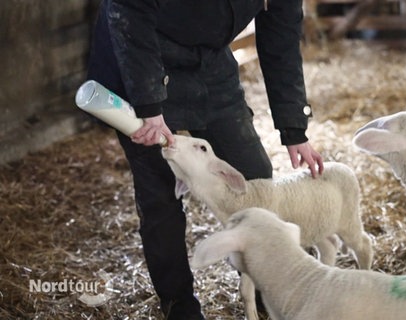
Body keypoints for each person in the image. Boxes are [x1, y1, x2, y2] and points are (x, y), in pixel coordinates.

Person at [86, 1, 324, 319]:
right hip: (140, 55)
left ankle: (271, 292)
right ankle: (179, 304)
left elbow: (280, 37)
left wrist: (294, 128)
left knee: (254, 178)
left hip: (208, 61)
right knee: (161, 191)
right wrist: (148, 104)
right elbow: (129, 7)